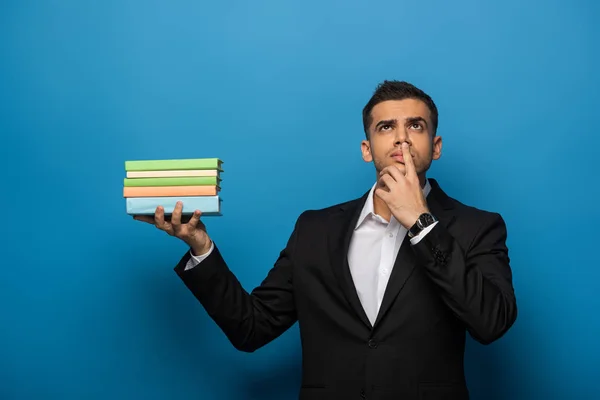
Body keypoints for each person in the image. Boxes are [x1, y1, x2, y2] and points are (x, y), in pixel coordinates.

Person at [134, 80, 517, 399]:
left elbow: (491, 323)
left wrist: (421, 221)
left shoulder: (477, 227)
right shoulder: (314, 230)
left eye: (416, 126)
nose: (401, 139)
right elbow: (252, 328)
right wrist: (201, 246)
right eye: (386, 127)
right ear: (367, 150)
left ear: (435, 146)